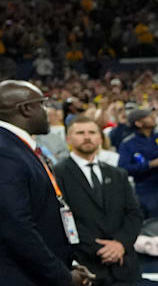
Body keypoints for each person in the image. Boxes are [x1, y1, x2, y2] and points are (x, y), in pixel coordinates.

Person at [0, 80, 92, 286]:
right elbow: (16, 228)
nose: (47, 110)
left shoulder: (12, 145)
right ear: (26, 109)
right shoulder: (1, 152)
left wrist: (65, 264)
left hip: (29, 272)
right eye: (42, 104)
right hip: (13, 276)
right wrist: (62, 276)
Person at [55, 116, 142, 286]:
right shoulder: (57, 174)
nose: (87, 137)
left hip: (125, 266)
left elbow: (134, 214)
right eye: (80, 133)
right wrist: (101, 250)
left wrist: (120, 244)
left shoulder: (118, 174)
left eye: (92, 132)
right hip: (84, 266)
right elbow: (61, 219)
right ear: (68, 139)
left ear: (100, 138)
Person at [116, 108, 158, 218]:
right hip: (147, 189)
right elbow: (123, 168)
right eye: (149, 117)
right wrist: (150, 164)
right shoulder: (128, 144)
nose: (153, 118)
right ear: (138, 123)